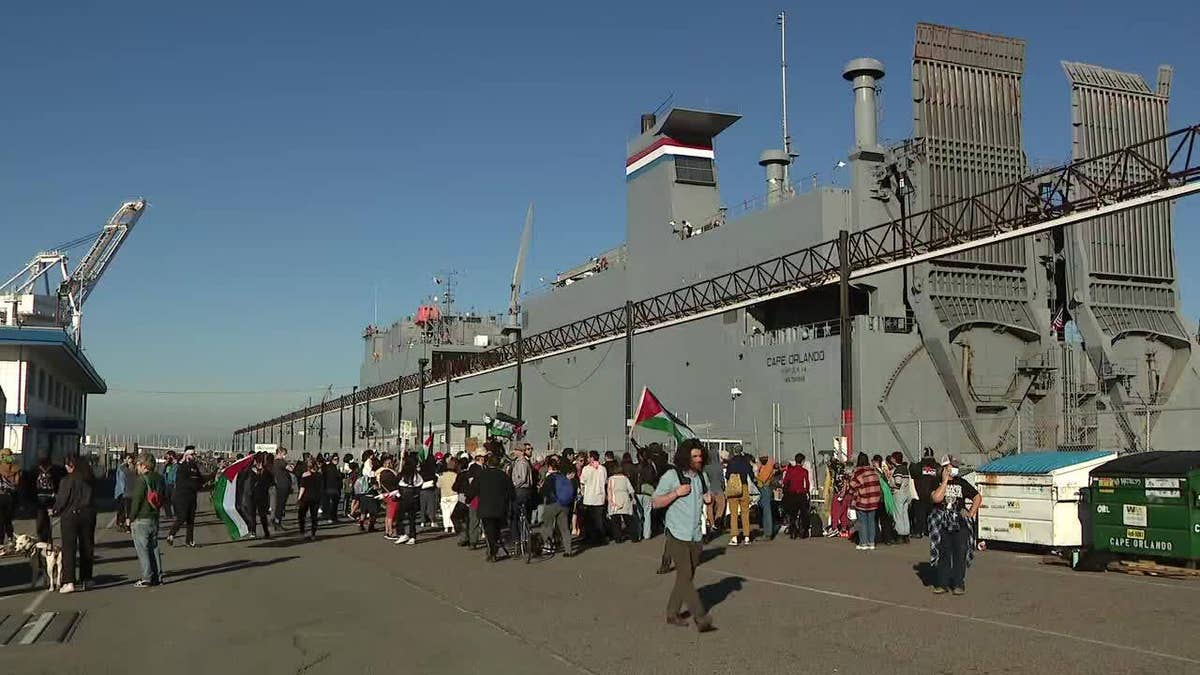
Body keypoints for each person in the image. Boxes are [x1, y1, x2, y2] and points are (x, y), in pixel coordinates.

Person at [652, 438, 716, 633]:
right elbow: (656, 502)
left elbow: (706, 497)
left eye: (700, 456)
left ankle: (672, 613)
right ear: (685, 457)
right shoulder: (672, 476)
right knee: (686, 575)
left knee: (685, 578)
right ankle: (700, 616)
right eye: (694, 456)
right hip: (676, 534)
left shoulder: (702, 477)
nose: (698, 459)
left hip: (696, 536)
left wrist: (708, 499)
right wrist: (676, 494)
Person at [929, 455, 981, 595]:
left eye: (956, 467)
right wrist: (945, 481)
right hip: (942, 523)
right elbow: (936, 498)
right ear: (945, 468)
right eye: (952, 466)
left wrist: (971, 513)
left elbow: (977, 497)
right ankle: (942, 584)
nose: (955, 469)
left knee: (960, 553)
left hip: (959, 523)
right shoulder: (936, 482)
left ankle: (958, 583)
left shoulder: (962, 483)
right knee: (944, 553)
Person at [51, 454, 96, 593]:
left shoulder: (67, 480)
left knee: (69, 548)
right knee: (87, 546)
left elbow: (62, 500)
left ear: (72, 465)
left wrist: (54, 510)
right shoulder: (89, 479)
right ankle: (86, 579)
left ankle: (69, 581)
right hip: (88, 514)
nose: (65, 467)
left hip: (70, 516)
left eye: (67, 464)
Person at [128, 453, 165, 587]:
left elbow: (136, 500)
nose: (137, 468)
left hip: (141, 518)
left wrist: (130, 518)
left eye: (138, 465)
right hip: (154, 517)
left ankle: (147, 577)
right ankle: (158, 576)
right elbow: (164, 496)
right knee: (154, 547)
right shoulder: (160, 479)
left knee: (142, 549)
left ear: (144, 465)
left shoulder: (142, 480)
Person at [469, 453, 514, 562]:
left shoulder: (481, 474)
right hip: (499, 507)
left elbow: (473, 489)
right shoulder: (503, 475)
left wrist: (469, 498)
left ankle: (492, 551)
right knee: (497, 529)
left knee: (489, 531)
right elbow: (511, 491)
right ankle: (494, 549)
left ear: (488, 463)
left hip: (485, 507)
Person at [537, 456, 575, 556]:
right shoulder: (563, 476)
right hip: (564, 504)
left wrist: (540, 488)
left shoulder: (550, 478)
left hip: (552, 504)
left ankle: (548, 547)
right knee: (564, 528)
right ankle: (568, 550)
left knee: (547, 526)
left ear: (549, 466)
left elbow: (544, 492)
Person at [168, 448, 203, 547]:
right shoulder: (181, 467)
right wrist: (195, 485)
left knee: (191, 520)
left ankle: (189, 540)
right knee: (182, 517)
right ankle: (171, 534)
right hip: (181, 497)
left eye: (194, 454)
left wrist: (213, 474)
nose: (194, 456)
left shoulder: (195, 467)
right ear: (187, 455)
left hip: (192, 497)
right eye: (192, 454)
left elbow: (200, 479)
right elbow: (185, 482)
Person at [849, 452, 882, 551]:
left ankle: (863, 543)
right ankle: (871, 542)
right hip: (873, 501)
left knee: (862, 522)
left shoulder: (858, 473)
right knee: (871, 521)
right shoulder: (873, 472)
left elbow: (852, 486)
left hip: (862, 500)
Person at [724, 446, 754, 546]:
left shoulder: (731, 462)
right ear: (742, 451)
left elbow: (727, 475)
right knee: (745, 513)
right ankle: (746, 537)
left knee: (734, 514)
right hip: (744, 487)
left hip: (733, 488)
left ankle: (734, 537)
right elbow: (751, 474)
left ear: (734, 451)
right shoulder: (745, 461)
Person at [579, 451, 608, 547]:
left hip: (589, 498)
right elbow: (604, 481)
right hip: (599, 497)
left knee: (589, 521)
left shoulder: (586, 469)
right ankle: (601, 538)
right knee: (599, 519)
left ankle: (590, 538)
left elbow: (582, 481)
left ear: (591, 458)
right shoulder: (602, 469)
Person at [910, 447, 939, 538]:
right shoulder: (938, 467)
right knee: (932, 514)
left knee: (920, 515)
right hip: (933, 494)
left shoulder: (919, 466)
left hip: (921, 494)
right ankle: (930, 531)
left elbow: (912, 472)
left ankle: (919, 532)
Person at [508, 443, 535, 541]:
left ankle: (517, 538)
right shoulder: (519, 462)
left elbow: (523, 478)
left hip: (521, 491)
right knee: (521, 515)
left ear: (520, 451)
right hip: (524, 491)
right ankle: (522, 535)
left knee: (514, 515)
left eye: (515, 450)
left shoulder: (522, 462)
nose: (514, 452)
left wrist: (514, 485)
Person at [781, 454, 811, 539]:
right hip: (801, 494)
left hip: (791, 494)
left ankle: (793, 530)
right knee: (803, 513)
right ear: (802, 461)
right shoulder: (804, 471)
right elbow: (807, 483)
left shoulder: (790, 470)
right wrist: (807, 492)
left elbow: (785, 481)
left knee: (792, 514)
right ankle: (803, 531)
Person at [395, 456, 422, 545]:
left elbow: (397, 484)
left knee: (399, 517)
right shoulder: (416, 474)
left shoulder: (402, 474)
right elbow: (420, 484)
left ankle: (402, 534)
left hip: (404, 496)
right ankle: (412, 537)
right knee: (412, 518)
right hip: (413, 497)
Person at [886, 452, 912, 544]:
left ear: (894, 459)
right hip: (906, 493)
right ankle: (906, 534)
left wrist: (890, 484)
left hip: (898, 493)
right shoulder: (905, 468)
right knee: (905, 514)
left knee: (898, 515)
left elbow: (897, 482)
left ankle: (900, 534)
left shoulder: (898, 470)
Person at [606, 463, 636, 543]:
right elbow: (631, 490)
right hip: (625, 498)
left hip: (615, 499)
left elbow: (609, 490)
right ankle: (634, 537)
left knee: (616, 521)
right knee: (628, 519)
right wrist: (633, 499)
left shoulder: (611, 479)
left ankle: (618, 538)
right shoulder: (625, 478)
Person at [296, 457, 322, 541]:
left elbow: (302, 488)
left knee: (301, 516)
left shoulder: (305, 475)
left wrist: (299, 498)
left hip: (306, 498)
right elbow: (321, 488)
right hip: (316, 498)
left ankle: (302, 533)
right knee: (314, 517)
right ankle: (313, 534)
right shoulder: (319, 475)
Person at [247, 455, 273, 539]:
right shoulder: (250, 471)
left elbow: (270, 482)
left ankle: (265, 532)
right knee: (253, 515)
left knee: (262, 515)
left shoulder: (266, 472)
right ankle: (254, 531)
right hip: (253, 495)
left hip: (261, 496)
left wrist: (260, 473)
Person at [376, 455, 400, 541]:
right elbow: (393, 482)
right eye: (388, 463)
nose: (390, 464)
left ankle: (387, 530)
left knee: (389, 514)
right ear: (384, 464)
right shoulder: (387, 473)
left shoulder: (380, 472)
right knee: (391, 515)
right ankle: (390, 532)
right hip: (391, 494)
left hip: (386, 494)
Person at [0, 448, 20, 546]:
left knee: (1, 520)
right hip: (10, 496)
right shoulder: (16, 469)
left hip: (1, 495)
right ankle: (10, 538)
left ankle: (0, 543)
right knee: (8, 520)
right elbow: (17, 483)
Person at [755, 455, 777, 541]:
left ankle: (768, 533)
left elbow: (763, 479)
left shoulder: (768, 467)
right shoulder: (764, 466)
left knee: (767, 511)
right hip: (762, 488)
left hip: (765, 488)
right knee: (764, 511)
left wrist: (755, 474)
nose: (762, 460)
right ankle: (766, 531)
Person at [437, 457, 459, 533]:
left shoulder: (442, 476)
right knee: (453, 512)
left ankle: (446, 527)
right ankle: (453, 527)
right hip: (454, 495)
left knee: (445, 512)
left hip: (444, 495)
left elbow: (438, 485)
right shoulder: (456, 475)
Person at [418, 452, 439, 529]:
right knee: (431, 507)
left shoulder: (421, 470)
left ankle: (423, 521)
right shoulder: (433, 470)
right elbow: (436, 479)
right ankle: (432, 521)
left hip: (422, 490)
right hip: (431, 490)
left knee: (423, 507)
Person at [272, 448, 292, 527]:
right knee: (281, 504)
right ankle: (277, 521)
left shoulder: (274, 462)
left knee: (280, 504)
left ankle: (277, 520)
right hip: (283, 485)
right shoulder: (280, 462)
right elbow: (291, 469)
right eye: (284, 454)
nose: (285, 456)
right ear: (279, 453)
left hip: (280, 485)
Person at [322, 455, 342, 524]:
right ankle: (331, 518)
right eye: (335, 459)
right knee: (332, 504)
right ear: (332, 460)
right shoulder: (330, 467)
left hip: (332, 487)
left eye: (338, 459)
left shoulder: (333, 467)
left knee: (333, 504)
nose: (337, 460)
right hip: (331, 487)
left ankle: (333, 517)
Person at [162, 452, 177, 519]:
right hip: (167, 484)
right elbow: (164, 473)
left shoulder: (176, 465)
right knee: (165, 500)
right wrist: (165, 465)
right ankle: (168, 514)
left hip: (173, 484)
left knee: (174, 500)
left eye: (168, 457)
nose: (167, 458)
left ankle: (177, 513)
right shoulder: (168, 465)